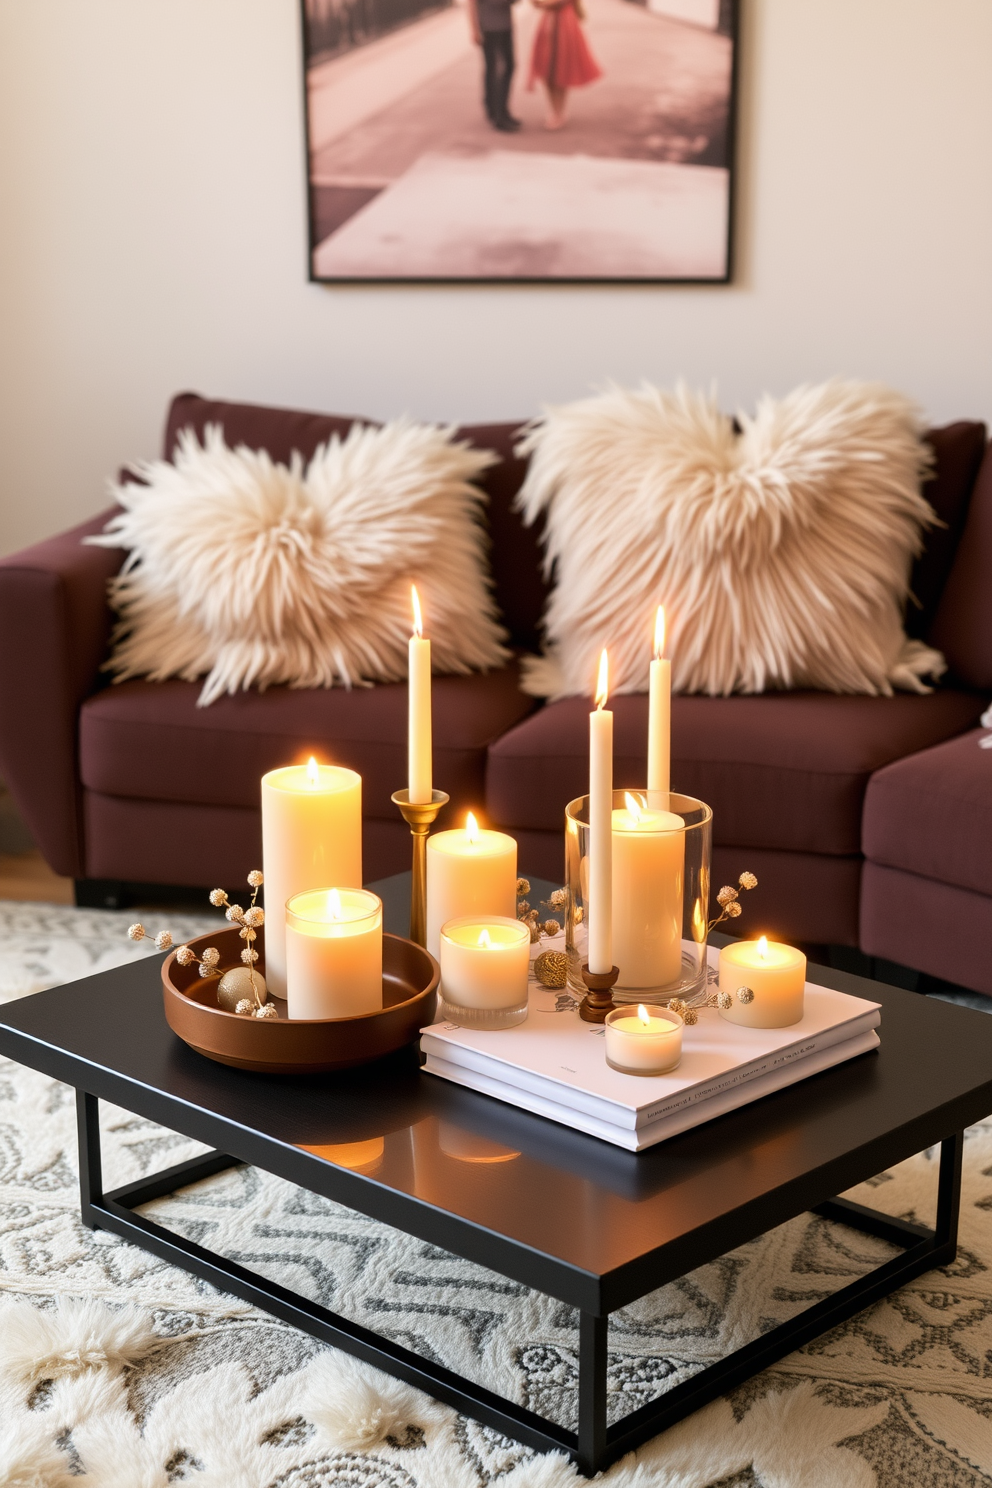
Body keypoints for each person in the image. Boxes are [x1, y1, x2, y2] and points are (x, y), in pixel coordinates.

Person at [527, 0, 602, 130]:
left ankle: (558, 112)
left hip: (563, 24)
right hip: (549, 23)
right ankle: (555, 111)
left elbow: (549, 3)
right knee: (547, 69)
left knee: (562, 66)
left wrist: (542, 3)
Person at [467, 0, 522, 132]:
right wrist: (474, 29)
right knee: (495, 69)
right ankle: (498, 114)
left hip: (505, 24)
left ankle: (499, 109)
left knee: (507, 66)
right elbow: (471, 3)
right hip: (489, 27)